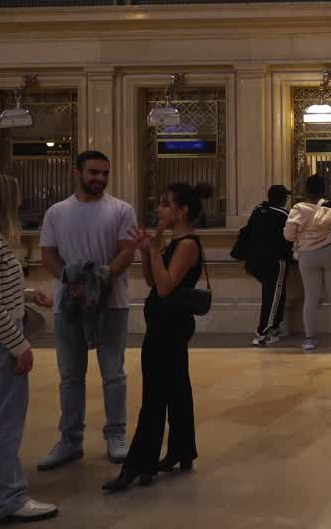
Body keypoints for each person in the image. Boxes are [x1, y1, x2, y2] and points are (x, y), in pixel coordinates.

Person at [103, 183, 211, 492]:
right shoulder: (173, 241)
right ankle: (181, 450)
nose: (158, 209)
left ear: (182, 211)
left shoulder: (188, 244)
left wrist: (153, 249)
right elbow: (153, 281)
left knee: (154, 397)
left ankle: (138, 465)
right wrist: (148, 249)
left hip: (169, 326)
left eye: (165, 204)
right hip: (166, 323)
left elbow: (165, 288)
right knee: (176, 388)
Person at [37, 150, 139, 470]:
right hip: (68, 306)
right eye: (94, 172)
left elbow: (126, 252)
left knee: (114, 374)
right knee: (70, 376)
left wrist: (101, 277)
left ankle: (116, 435)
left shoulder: (121, 210)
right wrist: (69, 278)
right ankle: (70, 440)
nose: (100, 178)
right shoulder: (57, 212)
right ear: (76, 173)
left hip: (112, 304)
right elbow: (48, 253)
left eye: (105, 173)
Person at [0, 174, 59, 522]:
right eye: (15, 197)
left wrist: (27, 295)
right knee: (5, 421)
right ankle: (8, 498)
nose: (20, 203)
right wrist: (20, 346)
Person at [285, 174, 331, 352]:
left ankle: (310, 339)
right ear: (324, 189)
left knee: (310, 297)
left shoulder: (298, 208)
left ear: (306, 190)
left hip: (307, 255)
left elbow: (288, 235)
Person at [239, 185, 293, 347]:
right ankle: (262, 333)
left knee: (274, 293)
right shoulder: (283, 215)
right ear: (283, 199)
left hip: (256, 261)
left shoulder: (258, 210)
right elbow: (289, 237)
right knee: (273, 296)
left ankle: (274, 327)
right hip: (275, 262)